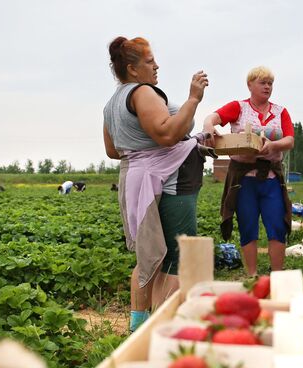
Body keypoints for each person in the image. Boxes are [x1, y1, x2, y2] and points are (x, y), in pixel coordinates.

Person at [103, 36, 209, 332]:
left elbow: (113, 151)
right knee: (176, 257)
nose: (156, 66)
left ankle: (139, 326)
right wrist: (193, 99)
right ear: (133, 69)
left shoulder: (112, 103)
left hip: (136, 180)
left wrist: (141, 148)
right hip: (168, 179)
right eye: (150, 62)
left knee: (149, 255)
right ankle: (163, 332)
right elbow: (166, 134)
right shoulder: (143, 92)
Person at [203, 66, 294, 276]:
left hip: (271, 179)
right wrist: (208, 126)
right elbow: (213, 118)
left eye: (270, 83)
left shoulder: (280, 112)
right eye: (262, 82)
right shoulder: (239, 107)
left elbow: (289, 139)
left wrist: (274, 146)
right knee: (248, 226)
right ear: (250, 85)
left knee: (277, 225)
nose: (267, 87)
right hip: (244, 180)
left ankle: (278, 276)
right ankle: (252, 276)